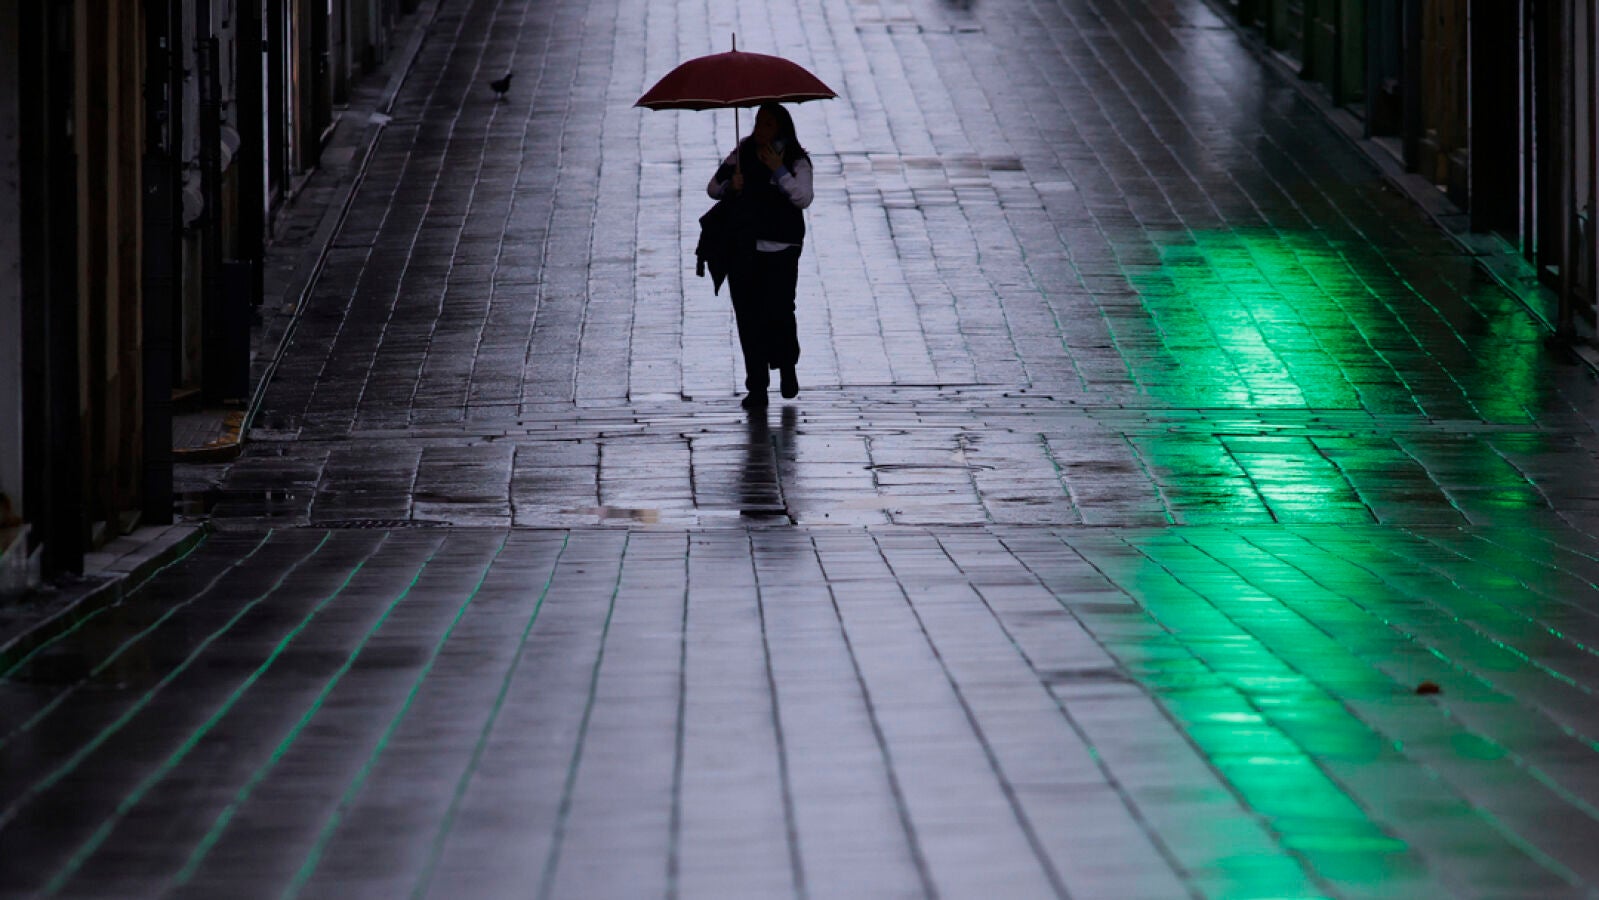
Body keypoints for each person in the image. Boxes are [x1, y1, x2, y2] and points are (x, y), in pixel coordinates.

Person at [707, 103, 814, 410]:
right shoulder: (742, 153)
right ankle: (757, 386)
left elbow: (803, 197)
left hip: (782, 249)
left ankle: (787, 365)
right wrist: (730, 185)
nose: (759, 129)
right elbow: (713, 187)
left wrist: (778, 170)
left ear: (780, 129)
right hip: (743, 247)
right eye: (758, 122)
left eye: (767, 124)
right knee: (748, 317)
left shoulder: (796, 160)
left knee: (780, 311)